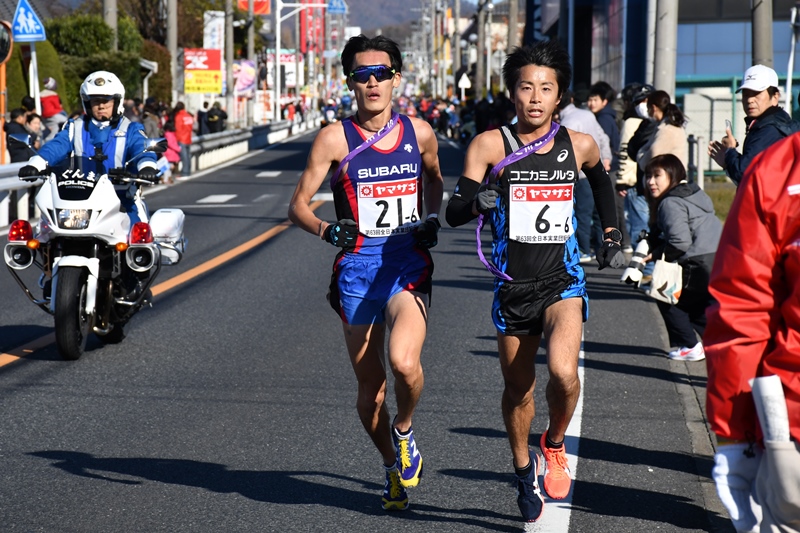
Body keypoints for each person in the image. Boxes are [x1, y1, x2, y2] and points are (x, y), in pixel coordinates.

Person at [445, 40, 624, 525]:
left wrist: (612, 231)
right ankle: (523, 469)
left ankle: (556, 442)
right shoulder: (488, 145)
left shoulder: (577, 143)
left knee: (564, 372)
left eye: (547, 88)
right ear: (512, 93)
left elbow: (601, 182)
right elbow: (454, 212)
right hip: (512, 285)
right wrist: (476, 202)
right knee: (518, 389)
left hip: (562, 278)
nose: (536, 97)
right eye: (527, 87)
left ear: (560, 95)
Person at [287, 35, 444, 512]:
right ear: (349, 81)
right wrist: (326, 231)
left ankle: (405, 432)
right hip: (356, 270)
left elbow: (435, 180)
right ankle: (391, 468)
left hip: (406, 265)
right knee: (371, 394)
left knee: (404, 362)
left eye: (381, 73)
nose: (372, 82)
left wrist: (430, 218)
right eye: (361, 74)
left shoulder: (420, 134)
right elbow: (296, 206)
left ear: (397, 78)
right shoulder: (335, 139)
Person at [704, 130, 800, 533]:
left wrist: (734, 440)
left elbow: (742, 308)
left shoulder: (781, 168)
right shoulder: (778, 170)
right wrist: (734, 436)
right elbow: (744, 307)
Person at [18, 70, 159, 222]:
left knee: (138, 238)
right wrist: (36, 163)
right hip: (78, 200)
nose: (101, 106)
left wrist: (147, 167)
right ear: (87, 103)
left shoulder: (131, 129)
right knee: (43, 236)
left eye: (107, 100)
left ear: (117, 102)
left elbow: (141, 148)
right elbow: (57, 146)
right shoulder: (75, 127)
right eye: (95, 101)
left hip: (122, 198)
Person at [639, 154, 721, 361]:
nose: (650, 182)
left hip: (698, 261)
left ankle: (690, 346)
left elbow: (680, 242)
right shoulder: (694, 193)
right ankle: (717, 344)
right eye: (648, 176)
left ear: (673, 175)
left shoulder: (670, 202)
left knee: (666, 295)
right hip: (719, 258)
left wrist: (655, 255)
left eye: (657, 176)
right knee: (698, 306)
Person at [708, 64, 800, 187]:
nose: (750, 100)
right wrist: (728, 162)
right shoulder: (773, 124)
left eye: (756, 93)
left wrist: (730, 151)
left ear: (775, 97)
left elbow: (744, 173)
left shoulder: (770, 129)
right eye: (746, 94)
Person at [557, 89, 612, 261]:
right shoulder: (587, 114)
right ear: (572, 99)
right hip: (596, 168)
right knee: (597, 213)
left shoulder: (567, 123)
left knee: (581, 212)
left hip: (579, 174)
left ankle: (583, 249)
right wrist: (606, 158)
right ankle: (600, 248)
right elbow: (603, 137)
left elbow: (564, 155)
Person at [588, 81, 628, 250]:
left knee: (610, 206)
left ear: (604, 101)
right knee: (616, 206)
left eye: (595, 100)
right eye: (590, 100)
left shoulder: (603, 119)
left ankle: (618, 242)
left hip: (609, 166)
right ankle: (624, 242)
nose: (591, 103)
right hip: (614, 165)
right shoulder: (607, 116)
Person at [618, 83, 656, 251]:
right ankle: (645, 270)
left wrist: (623, 180)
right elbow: (626, 152)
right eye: (640, 101)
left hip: (641, 182)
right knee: (644, 226)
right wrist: (624, 179)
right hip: (641, 182)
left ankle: (645, 270)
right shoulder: (639, 122)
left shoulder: (641, 122)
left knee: (641, 226)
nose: (644, 104)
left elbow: (625, 152)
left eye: (647, 100)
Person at [636, 90, 688, 173]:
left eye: (648, 108)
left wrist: (641, 156)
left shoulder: (667, 130)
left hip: (668, 180)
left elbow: (652, 157)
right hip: (671, 177)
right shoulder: (666, 126)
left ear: (653, 108)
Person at [39, 77, 68, 141]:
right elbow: (58, 107)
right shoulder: (53, 95)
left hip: (43, 116)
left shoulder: (40, 95)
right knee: (67, 119)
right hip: (53, 115)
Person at [172, 102, 194, 177]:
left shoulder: (179, 116)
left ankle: (184, 172)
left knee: (184, 156)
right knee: (188, 156)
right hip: (188, 137)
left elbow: (177, 128)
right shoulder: (188, 115)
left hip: (181, 138)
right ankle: (188, 170)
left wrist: (176, 139)